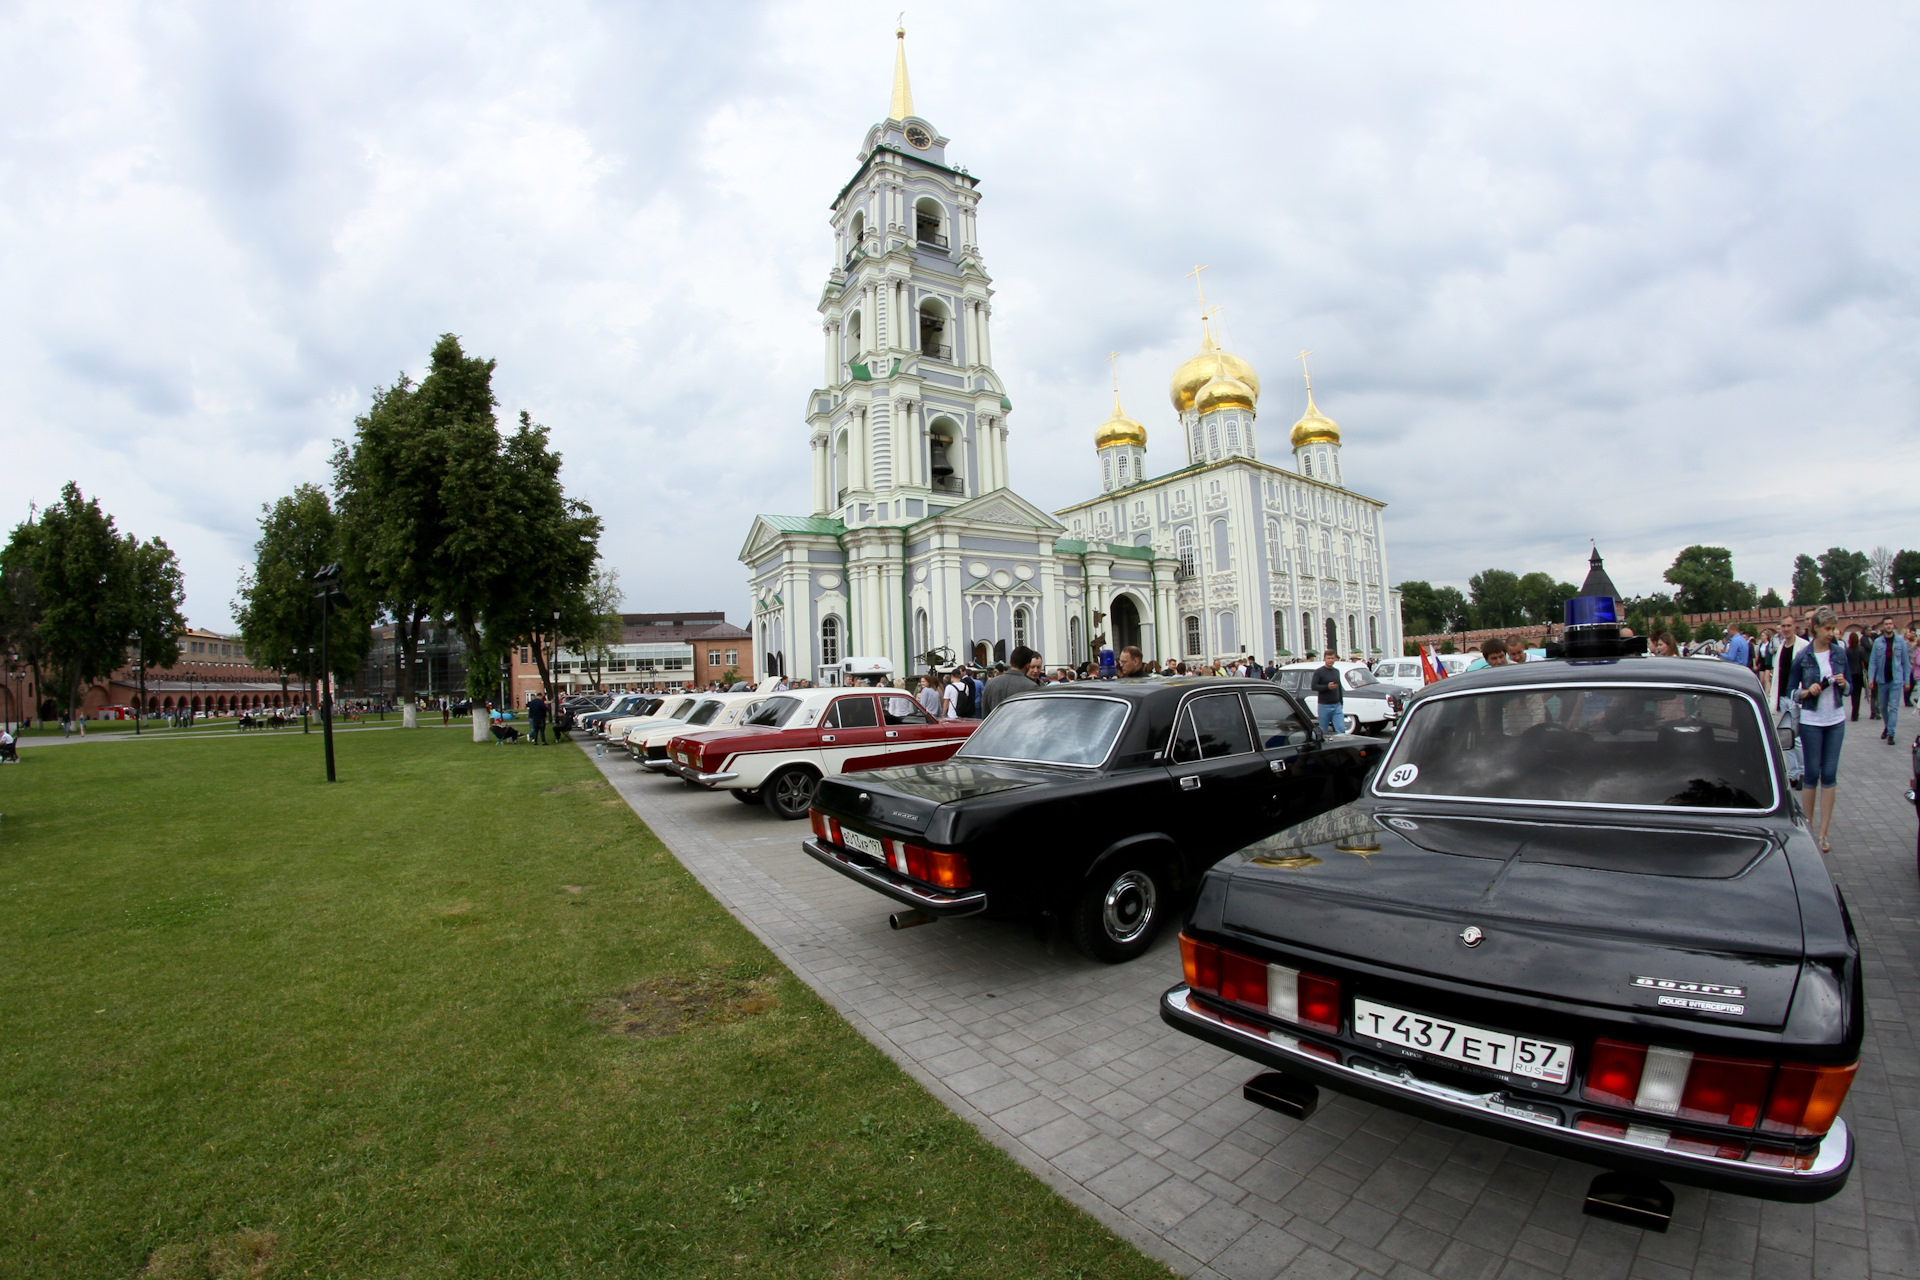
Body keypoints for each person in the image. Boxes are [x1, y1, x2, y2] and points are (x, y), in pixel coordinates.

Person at [1788, 606, 1848, 852]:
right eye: (1828, 629)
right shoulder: (1803, 656)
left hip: (1835, 718)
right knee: (1812, 773)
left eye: (1834, 628)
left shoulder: (1839, 653)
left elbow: (1850, 688)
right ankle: (1809, 829)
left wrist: (1844, 684)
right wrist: (1806, 692)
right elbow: (1791, 691)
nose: (1832, 633)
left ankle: (1823, 833)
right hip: (1812, 720)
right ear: (1816, 629)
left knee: (1830, 774)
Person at [1868, 617, 1909, 744]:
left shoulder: (1900, 642)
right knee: (1883, 707)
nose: (1889, 626)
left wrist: (1907, 680)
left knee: (1894, 707)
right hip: (1882, 679)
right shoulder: (1878, 642)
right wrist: (1871, 678)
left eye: (1891, 624)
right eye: (1886, 624)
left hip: (1896, 679)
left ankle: (1891, 733)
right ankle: (1887, 726)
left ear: (1893, 626)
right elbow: (1873, 661)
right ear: (1883, 627)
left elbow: (1905, 662)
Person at [981, 646, 1041, 716]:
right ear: (1028, 665)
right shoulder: (1031, 686)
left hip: (995, 726)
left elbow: (985, 714)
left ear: (1010, 661)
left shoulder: (990, 683)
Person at [1309, 649, 1345, 734]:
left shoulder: (1336, 671)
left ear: (1335, 659)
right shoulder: (1319, 672)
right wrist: (1327, 687)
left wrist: (1341, 702)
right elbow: (1313, 686)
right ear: (1324, 659)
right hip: (1324, 705)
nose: (1330, 660)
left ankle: (1341, 746)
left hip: (1336, 705)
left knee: (1341, 729)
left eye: (1332, 658)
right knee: (1323, 730)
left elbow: (1339, 687)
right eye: (1328, 658)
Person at [1845, 629, 1868, 721]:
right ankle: (1856, 713)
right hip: (1858, 673)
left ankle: (1854, 712)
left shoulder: (1847, 650)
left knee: (1852, 694)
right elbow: (1865, 661)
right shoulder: (1860, 649)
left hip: (1850, 674)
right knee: (1858, 695)